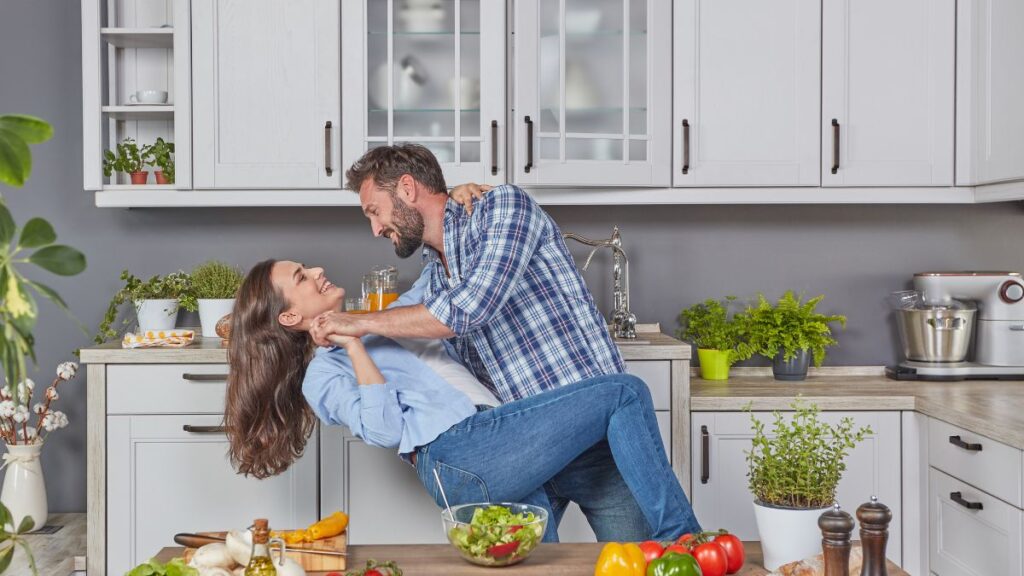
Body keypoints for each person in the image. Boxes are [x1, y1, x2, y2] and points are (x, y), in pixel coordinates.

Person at [307, 144, 698, 540]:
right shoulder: (433, 276)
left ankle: (689, 542)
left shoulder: (501, 208)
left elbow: (470, 309)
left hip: (594, 436)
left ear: (408, 189)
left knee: (646, 559)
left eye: (374, 211)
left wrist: (356, 323)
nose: (375, 229)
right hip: (527, 447)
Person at [224, 258, 702, 542]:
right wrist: (350, 343)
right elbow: (386, 429)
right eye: (304, 277)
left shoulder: (390, 316)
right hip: (460, 455)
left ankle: (662, 553)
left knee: (582, 526)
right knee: (624, 391)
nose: (319, 271)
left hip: (503, 437)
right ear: (289, 318)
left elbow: (446, 271)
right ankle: (686, 541)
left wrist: (461, 198)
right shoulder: (322, 375)